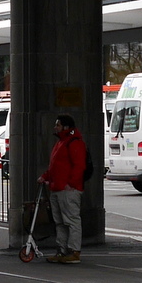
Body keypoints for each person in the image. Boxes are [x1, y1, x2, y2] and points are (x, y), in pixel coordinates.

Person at [39, 113, 86, 264]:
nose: (55, 127)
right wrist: (46, 177)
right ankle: (62, 250)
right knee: (60, 221)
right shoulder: (63, 142)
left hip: (67, 189)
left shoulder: (73, 142)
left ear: (66, 127)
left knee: (71, 220)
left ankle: (73, 251)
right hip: (58, 187)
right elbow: (55, 166)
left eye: (57, 125)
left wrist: (70, 184)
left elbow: (79, 166)